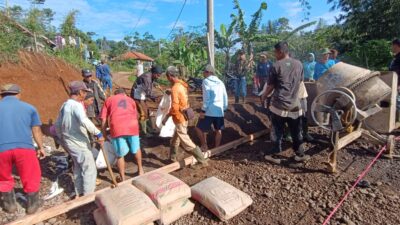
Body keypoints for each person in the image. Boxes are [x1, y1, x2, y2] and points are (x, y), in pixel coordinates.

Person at [261, 41, 310, 163]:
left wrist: (263, 96)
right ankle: (300, 153)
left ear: (280, 52)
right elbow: (300, 82)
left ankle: (275, 153)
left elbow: (271, 86)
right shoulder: (299, 64)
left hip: (279, 105)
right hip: (294, 104)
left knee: (277, 130)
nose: (275, 54)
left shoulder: (276, 66)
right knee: (296, 130)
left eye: (275, 52)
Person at [0, 84, 45, 214]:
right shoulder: (29, 108)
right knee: (31, 174)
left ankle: (10, 205)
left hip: (1, 149)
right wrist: (41, 147)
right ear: (18, 94)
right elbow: (36, 130)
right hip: (24, 148)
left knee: (3, 177)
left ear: (2, 95)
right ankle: (32, 205)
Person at [55, 81, 104, 197]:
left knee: (77, 168)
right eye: (85, 92)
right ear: (80, 92)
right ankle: (88, 197)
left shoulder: (65, 105)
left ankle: (80, 193)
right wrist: (98, 133)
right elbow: (84, 120)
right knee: (89, 169)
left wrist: (61, 139)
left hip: (70, 142)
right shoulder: (76, 105)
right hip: (78, 143)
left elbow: (57, 125)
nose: (85, 95)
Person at [162, 66, 208, 168]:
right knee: (175, 139)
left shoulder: (175, 88)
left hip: (179, 117)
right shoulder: (182, 85)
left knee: (185, 140)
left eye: (167, 76)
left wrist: (166, 117)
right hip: (185, 114)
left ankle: (202, 161)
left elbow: (174, 107)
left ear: (169, 76)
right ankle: (172, 158)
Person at [101, 88, 144, 181]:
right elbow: (136, 115)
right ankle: (141, 170)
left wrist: (104, 135)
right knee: (136, 149)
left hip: (117, 128)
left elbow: (104, 120)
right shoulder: (131, 100)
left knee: (120, 154)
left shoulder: (109, 100)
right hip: (132, 126)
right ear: (124, 94)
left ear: (115, 94)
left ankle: (122, 177)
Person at [195, 65, 228, 151]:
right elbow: (225, 96)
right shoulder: (221, 82)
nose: (203, 73)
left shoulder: (206, 81)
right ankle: (217, 149)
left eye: (204, 72)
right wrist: (224, 108)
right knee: (218, 130)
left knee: (199, 128)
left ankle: (204, 146)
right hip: (219, 110)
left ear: (209, 72)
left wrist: (203, 110)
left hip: (209, 110)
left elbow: (207, 98)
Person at [130, 65, 163, 137]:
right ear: (154, 73)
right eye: (158, 75)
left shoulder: (150, 76)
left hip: (141, 95)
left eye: (159, 75)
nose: (158, 77)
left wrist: (155, 84)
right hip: (136, 95)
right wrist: (156, 98)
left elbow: (150, 86)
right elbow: (148, 93)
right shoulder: (147, 77)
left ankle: (150, 130)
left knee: (147, 112)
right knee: (143, 114)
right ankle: (143, 133)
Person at [389, 39, 400, 120]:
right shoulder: (396, 57)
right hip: (395, 84)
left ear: (396, 46)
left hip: (398, 85)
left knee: (398, 103)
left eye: (392, 45)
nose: (391, 47)